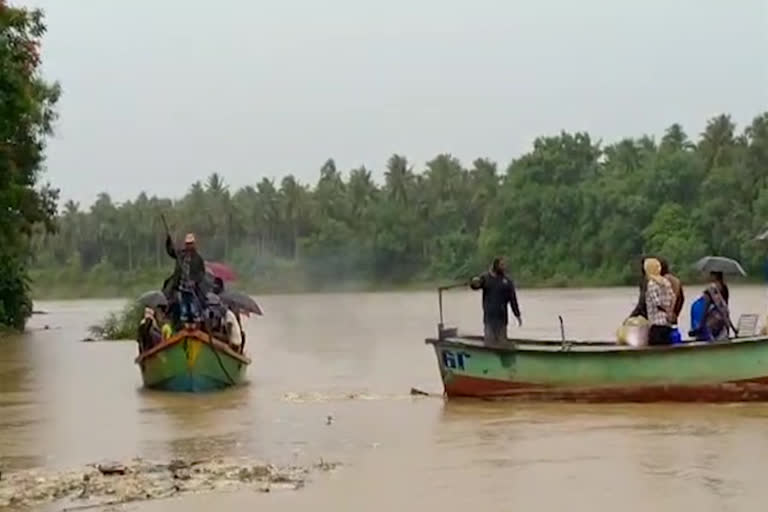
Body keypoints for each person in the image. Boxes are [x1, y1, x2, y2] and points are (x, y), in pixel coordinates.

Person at [469, 257, 522, 344]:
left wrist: (517, 315)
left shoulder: (507, 281)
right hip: (489, 318)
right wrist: (473, 282)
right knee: (489, 342)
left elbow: (513, 300)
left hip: (502, 318)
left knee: (502, 342)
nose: (504, 267)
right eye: (502, 265)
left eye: (504, 265)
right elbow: (475, 286)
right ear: (496, 266)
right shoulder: (485, 278)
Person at [164, 232, 206, 324]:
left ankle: (195, 324)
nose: (189, 246)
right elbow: (171, 251)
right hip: (181, 287)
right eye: (187, 244)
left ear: (194, 244)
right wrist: (168, 240)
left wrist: (195, 281)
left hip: (193, 289)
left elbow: (202, 273)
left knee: (193, 309)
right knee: (183, 309)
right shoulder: (180, 255)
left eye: (190, 244)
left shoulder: (198, 258)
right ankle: (183, 324)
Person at [644, 258, 674, 345]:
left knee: (654, 350)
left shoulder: (651, 284)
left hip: (656, 324)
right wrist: (670, 312)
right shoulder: (666, 282)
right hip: (667, 324)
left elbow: (657, 303)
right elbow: (673, 297)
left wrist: (666, 311)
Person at [701, 271, 734, 340]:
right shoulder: (724, 287)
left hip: (714, 322)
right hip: (724, 321)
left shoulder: (710, 289)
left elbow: (706, 307)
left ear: (715, 276)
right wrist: (732, 327)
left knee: (713, 342)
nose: (709, 276)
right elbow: (724, 308)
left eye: (711, 274)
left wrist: (701, 323)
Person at [659, 258, 685, 324]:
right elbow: (681, 299)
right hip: (673, 316)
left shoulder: (659, 281)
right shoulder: (676, 280)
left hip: (660, 318)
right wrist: (675, 313)